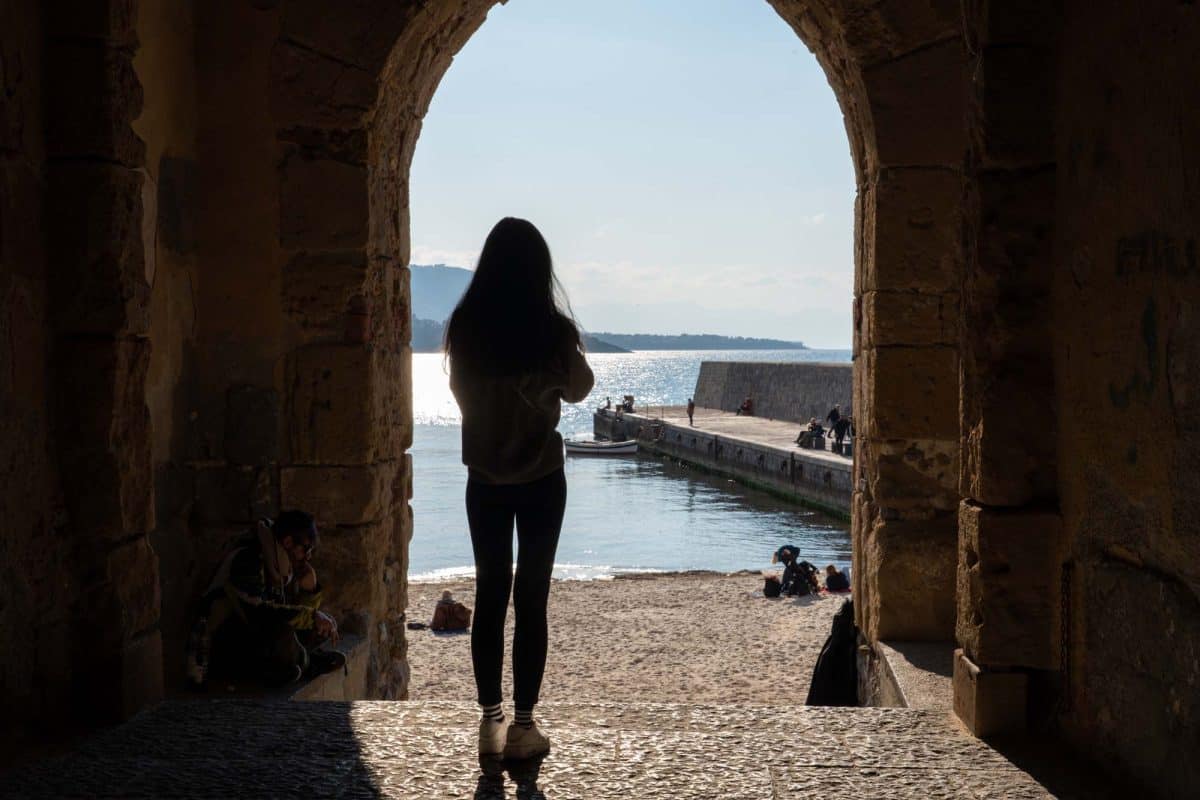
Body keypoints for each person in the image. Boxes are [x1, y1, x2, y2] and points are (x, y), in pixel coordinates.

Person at [446, 217, 594, 759]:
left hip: (483, 481)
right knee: (532, 601)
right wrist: (543, 383)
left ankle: (489, 722)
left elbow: (461, 395)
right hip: (540, 481)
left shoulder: (466, 326)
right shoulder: (551, 332)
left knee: (491, 595)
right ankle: (524, 727)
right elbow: (580, 389)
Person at [188, 511, 342, 688]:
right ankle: (306, 663)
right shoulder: (248, 559)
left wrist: (310, 591)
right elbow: (259, 614)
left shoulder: (280, 565)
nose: (308, 557)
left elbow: (290, 611)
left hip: (256, 635)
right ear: (288, 542)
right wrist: (312, 616)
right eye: (306, 549)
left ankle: (298, 662)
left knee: (319, 628)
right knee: (284, 635)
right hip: (225, 641)